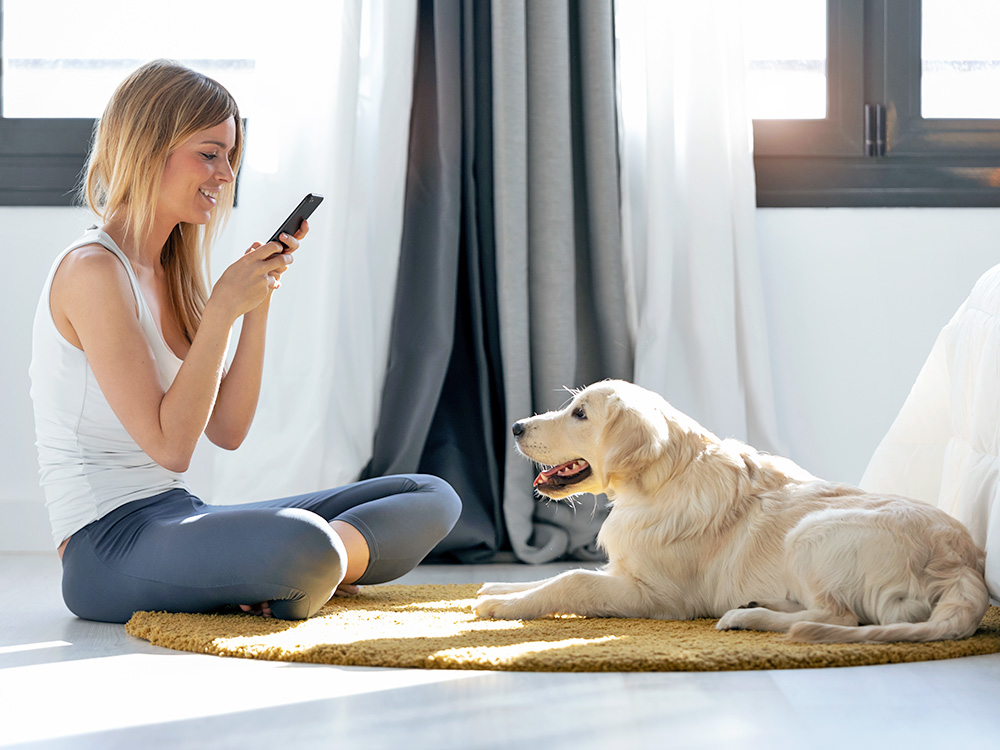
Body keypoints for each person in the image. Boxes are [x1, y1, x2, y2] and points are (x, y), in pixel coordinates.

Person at [29, 59, 462, 624]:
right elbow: (171, 448)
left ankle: (303, 570)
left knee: (430, 494)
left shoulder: (169, 273)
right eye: (210, 154)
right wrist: (222, 311)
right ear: (147, 149)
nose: (226, 174)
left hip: (176, 514)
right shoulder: (92, 271)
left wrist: (255, 307)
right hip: (104, 547)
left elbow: (228, 431)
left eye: (231, 156)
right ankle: (300, 565)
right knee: (304, 540)